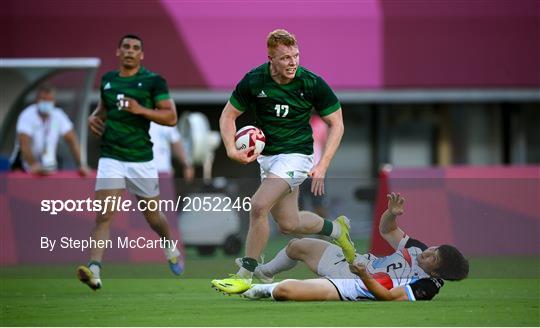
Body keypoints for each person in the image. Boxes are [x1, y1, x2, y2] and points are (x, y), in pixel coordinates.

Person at [212, 29, 352, 294]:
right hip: (268, 158)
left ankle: (245, 273)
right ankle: (336, 229)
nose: (293, 62)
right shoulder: (255, 80)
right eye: (286, 57)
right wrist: (230, 148)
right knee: (288, 224)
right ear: (271, 59)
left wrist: (323, 165)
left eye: (296, 56)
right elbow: (228, 116)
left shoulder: (311, 82)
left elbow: (337, 124)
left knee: (258, 206)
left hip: (297, 156)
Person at [77, 34, 182, 290]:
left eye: (136, 48)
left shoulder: (153, 81)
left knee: (153, 217)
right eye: (126, 47)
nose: (130, 51)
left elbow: (171, 117)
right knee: (104, 215)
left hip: (141, 159)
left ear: (141, 55)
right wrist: (94, 117)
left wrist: (141, 110)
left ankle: (169, 245)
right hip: (111, 156)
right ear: (118, 51)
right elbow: (104, 109)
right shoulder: (108, 80)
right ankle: (94, 270)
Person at [241, 193, 469, 301]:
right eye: (434, 248)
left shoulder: (427, 286)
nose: (428, 252)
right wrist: (391, 214)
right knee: (296, 246)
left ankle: (268, 289)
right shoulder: (418, 249)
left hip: (351, 286)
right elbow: (387, 231)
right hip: (353, 261)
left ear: (436, 272)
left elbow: (388, 296)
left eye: (433, 258)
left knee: (284, 292)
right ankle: (265, 273)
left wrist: (363, 275)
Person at [12, 85, 89, 175]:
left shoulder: (58, 115)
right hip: (24, 167)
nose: (46, 102)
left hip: (48, 167)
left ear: (54, 101)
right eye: (43, 99)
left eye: (49, 100)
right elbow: (24, 143)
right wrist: (33, 165)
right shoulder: (27, 115)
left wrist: (81, 164)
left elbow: (72, 140)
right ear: (37, 100)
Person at [298, 114, 329, 218]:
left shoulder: (320, 124)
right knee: (298, 207)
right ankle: (301, 234)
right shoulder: (296, 122)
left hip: (316, 172)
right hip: (298, 172)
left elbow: (326, 146)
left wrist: (322, 166)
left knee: (318, 205)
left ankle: (326, 232)